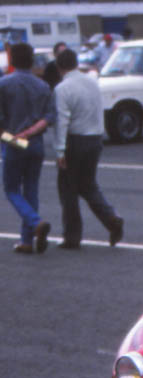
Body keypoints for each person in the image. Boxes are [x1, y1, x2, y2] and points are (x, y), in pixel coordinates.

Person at [53, 48, 123, 249]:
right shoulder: (92, 82)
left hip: (75, 140)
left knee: (68, 189)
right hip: (95, 138)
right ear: (76, 63)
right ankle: (111, 218)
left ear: (59, 67)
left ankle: (72, 236)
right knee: (88, 185)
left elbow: (62, 120)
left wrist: (60, 150)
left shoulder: (62, 88)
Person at [0, 43, 54, 255]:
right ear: (32, 61)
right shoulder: (43, 86)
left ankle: (35, 222)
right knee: (31, 189)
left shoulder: (4, 84)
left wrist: (12, 138)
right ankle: (27, 240)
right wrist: (30, 132)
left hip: (14, 141)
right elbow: (49, 117)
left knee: (12, 189)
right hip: (36, 142)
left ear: (12, 60)